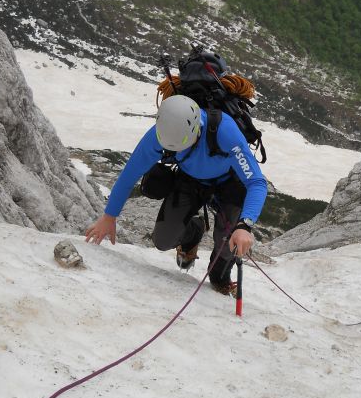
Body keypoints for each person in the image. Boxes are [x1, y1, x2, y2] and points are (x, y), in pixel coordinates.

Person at [84, 57, 268, 297]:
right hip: (190, 181)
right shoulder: (158, 135)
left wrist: (245, 225)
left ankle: (220, 276)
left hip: (228, 183)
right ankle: (193, 232)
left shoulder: (225, 131)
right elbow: (130, 174)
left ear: (196, 130)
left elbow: (256, 182)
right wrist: (109, 216)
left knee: (227, 248)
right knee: (162, 241)